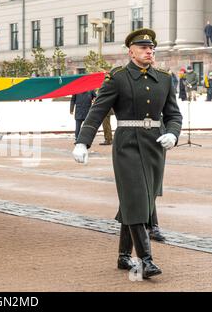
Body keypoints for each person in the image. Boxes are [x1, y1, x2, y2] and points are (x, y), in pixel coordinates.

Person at [72, 28, 183, 279]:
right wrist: (83, 142)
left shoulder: (164, 78)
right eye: (144, 48)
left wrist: (174, 133)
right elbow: (97, 111)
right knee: (136, 197)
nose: (149, 51)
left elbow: (174, 114)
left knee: (141, 199)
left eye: (151, 48)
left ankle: (124, 256)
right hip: (127, 146)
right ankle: (145, 260)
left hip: (154, 147)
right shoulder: (118, 77)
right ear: (131, 51)